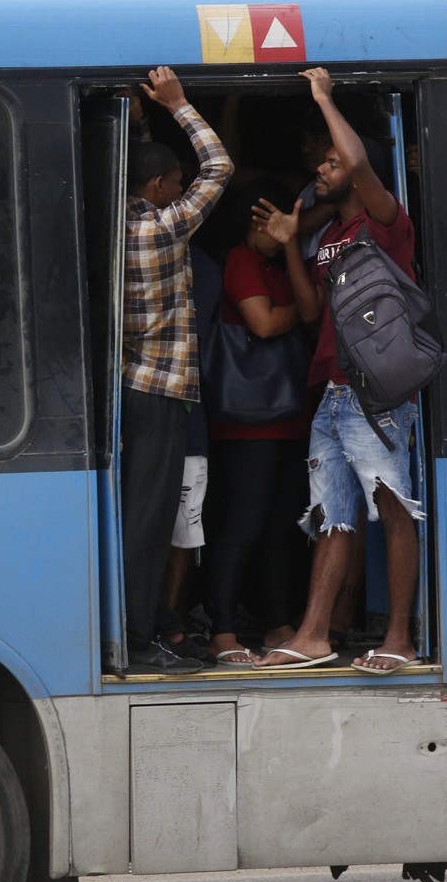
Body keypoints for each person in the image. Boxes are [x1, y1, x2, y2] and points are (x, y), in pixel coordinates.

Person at [250, 67, 426, 674]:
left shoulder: (383, 221)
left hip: (372, 395)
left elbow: (359, 163)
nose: (319, 171)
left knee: (392, 509)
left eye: (329, 163)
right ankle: (313, 634)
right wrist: (292, 240)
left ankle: (399, 638)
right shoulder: (331, 232)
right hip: (333, 392)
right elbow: (311, 312)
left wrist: (324, 97)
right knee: (333, 515)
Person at [118, 66, 233, 674]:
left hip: (132, 388)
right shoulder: (163, 230)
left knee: (139, 515)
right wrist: (181, 105)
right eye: (174, 182)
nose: (179, 190)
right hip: (162, 392)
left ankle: (148, 627)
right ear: (160, 185)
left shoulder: (118, 225)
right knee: (149, 523)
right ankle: (140, 640)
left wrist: (143, 123)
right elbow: (219, 168)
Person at [204, 185, 314, 667]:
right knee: (244, 524)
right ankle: (222, 629)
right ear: (251, 220)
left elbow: (306, 312)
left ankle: (278, 623)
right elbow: (264, 324)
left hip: (288, 416)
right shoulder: (241, 260)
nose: (281, 230)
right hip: (248, 420)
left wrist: (290, 247)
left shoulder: (280, 263)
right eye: (271, 222)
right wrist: (298, 313)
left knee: (280, 528)